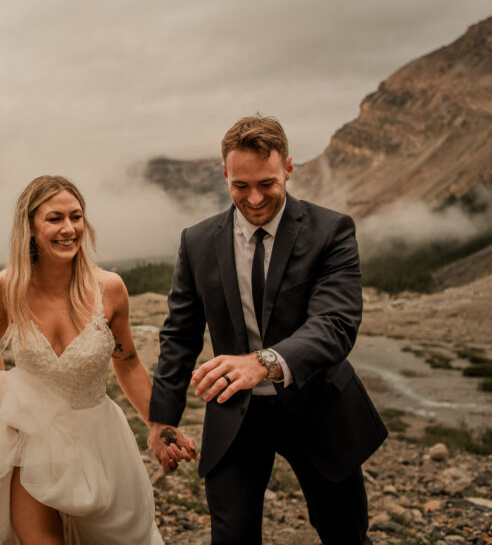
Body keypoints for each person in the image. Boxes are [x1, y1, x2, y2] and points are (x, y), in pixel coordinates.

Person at [147, 115, 388, 545]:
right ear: (225, 174)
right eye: (241, 186)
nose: (255, 198)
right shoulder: (197, 241)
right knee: (232, 536)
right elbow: (180, 333)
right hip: (234, 411)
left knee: (345, 534)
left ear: (288, 170)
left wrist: (264, 363)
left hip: (318, 405)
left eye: (267, 184)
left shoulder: (332, 231)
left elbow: (336, 324)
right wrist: (161, 421)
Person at [0, 175, 192, 544]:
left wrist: (158, 425)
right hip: (29, 441)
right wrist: (4, 389)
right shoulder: (8, 287)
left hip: (96, 442)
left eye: (76, 217)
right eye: (55, 218)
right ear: (31, 227)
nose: (69, 229)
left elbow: (129, 362)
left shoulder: (110, 289)